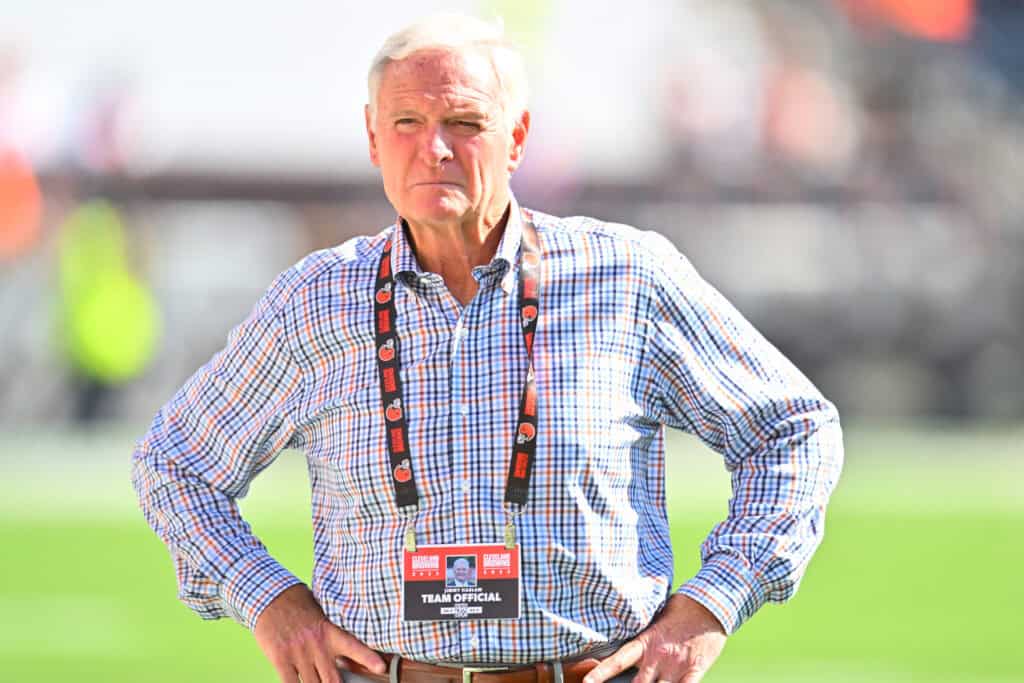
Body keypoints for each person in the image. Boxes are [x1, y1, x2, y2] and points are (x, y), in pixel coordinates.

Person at [132, 11, 843, 683]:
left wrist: (711, 605)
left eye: (465, 122)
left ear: (517, 137)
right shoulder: (316, 301)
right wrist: (270, 603)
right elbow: (175, 464)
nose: (434, 148)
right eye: (407, 123)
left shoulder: (627, 277)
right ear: (373, 138)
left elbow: (793, 429)